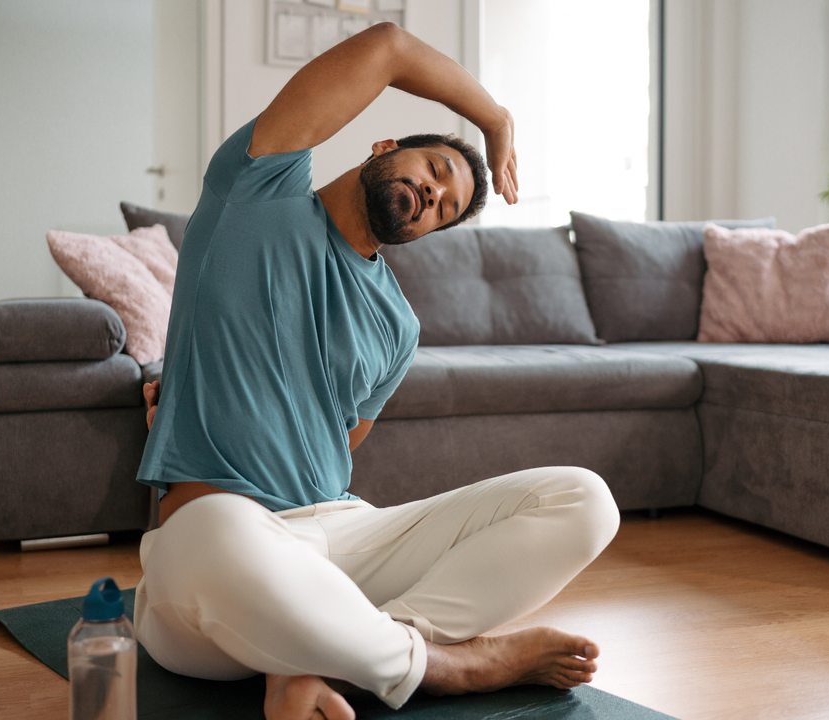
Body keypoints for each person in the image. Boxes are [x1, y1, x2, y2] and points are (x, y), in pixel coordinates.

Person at [133, 21, 620, 720]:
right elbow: (389, 47)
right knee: (214, 535)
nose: (431, 198)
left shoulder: (399, 324)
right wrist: (493, 118)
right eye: (435, 172)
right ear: (385, 147)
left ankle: (339, 656)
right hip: (222, 537)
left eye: (445, 210)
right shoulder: (256, 191)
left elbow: (344, 438)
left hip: (340, 535)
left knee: (585, 499)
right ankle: (446, 665)